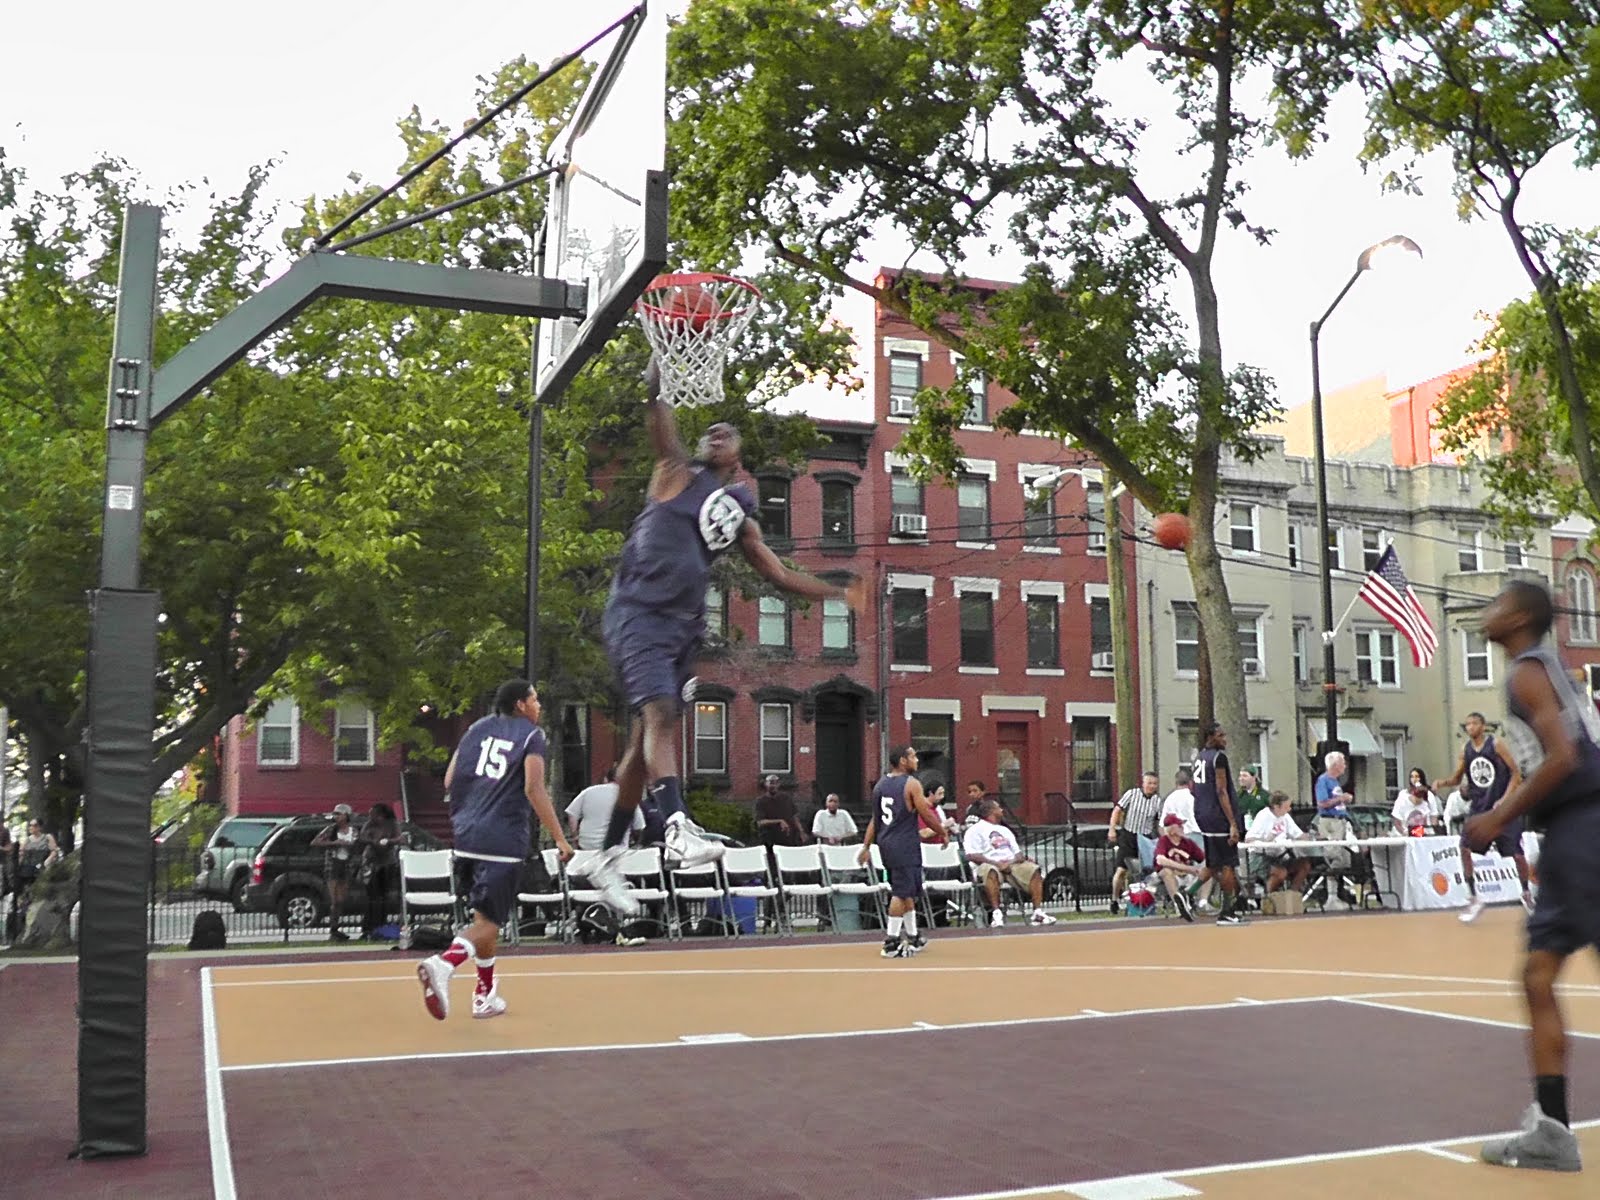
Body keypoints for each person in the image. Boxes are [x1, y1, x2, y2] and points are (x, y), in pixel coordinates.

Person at [584, 357, 864, 915]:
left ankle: (608, 852)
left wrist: (837, 593)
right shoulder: (675, 472)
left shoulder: (740, 514)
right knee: (661, 716)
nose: (715, 434)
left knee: (643, 744)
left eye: (727, 432)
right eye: (710, 430)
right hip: (638, 612)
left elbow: (779, 575)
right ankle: (677, 825)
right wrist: (657, 371)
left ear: (740, 460)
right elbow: (659, 416)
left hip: (682, 628)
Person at [1468, 579, 1600, 1173]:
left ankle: (1551, 1130)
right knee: (1538, 971)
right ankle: (1551, 1129)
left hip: (1587, 827)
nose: (1487, 612)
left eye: (1496, 603)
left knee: (1540, 973)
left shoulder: (1527, 671)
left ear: (1517, 617)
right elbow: (1552, 757)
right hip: (1574, 831)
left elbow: (1565, 758)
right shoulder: (1546, 670)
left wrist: (1499, 814)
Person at [416, 679, 574, 1021]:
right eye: (535, 699)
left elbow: (449, 780)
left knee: (485, 920)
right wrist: (560, 837)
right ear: (520, 704)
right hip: (502, 837)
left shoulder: (475, 728)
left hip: (466, 834)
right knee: (491, 923)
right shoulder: (533, 736)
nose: (539, 705)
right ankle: (444, 964)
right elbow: (534, 788)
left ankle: (484, 995)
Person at [1435, 711, 1532, 922]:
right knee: (1464, 847)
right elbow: (1458, 777)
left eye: (1473, 723)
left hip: (1503, 808)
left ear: (1482, 725)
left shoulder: (1496, 745)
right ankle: (1474, 897)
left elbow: (1516, 773)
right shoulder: (1466, 750)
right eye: (1467, 724)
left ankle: (1526, 892)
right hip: (1480, 808)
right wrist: (1443, 783)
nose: (1469, 727)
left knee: (1516, 854)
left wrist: (1505, 799)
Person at [858, 745, 948, 957]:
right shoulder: (911, 784)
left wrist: (866, 845)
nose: (916, 759)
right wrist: (942, 831)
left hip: (887, 843)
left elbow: (875, 819)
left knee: (908, 890)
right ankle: (891, 941)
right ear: (902, 761)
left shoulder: (880, 785)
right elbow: (925, 813)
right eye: (913, 756)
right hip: (903, 844)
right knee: (900, 893)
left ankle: (913, 935)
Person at [962, 798, 1057, 928]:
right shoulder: (974, 830)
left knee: (1034, 869)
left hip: (1011, 865)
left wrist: (1010, 862)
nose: (1002, 810)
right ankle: (996, 913)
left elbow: (1018, 854)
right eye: (998, 808)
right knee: (990, 871)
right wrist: (997, 864)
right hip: (988, 864)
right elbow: (971, 855)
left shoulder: (1005, 830)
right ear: (991, 811)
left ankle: (1037, 912)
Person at [1191, 721, 1246, 926]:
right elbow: (1221, 790)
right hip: (1218, 815)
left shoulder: (1199, 758)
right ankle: (1227, 911)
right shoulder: (1218, 758)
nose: (1225, 739)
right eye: (1221, 735)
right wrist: (1232, 822)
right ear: (1211, 737)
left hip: (1202, 813)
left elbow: (1194, 788)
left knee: (1213, 863)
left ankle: (1187, 894)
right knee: (1229, 864)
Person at [1107, 771, 1163, 915]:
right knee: (1121, 870)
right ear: (1143, 783)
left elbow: (1158, 823)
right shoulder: (1132, 794)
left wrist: (1161, 840)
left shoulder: (1157, 801)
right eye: (1149, 783)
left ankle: (1144, 902)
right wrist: (1112, 829)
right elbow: (1117, 810)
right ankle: (1114, 899)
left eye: (1154, 784)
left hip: (1145, 837)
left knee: (1147, 871)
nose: (1151, 786)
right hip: (1129, 835)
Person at [1313, 751, 1360, 906]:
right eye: (1343, 763)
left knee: (1345, 858)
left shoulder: (1335, 782)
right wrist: (1341, 798)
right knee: (1335, 856)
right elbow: (1321, 803)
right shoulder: (1323, 781)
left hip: (1340, 821)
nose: (1345, 766)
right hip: (1329, 823)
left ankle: (1340, 891)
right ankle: (1331, 894)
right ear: (1335, 765)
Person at [1244, 791, 1312, 895]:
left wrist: (1312, 836)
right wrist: (1266, 840)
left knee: (1304, 866)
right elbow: (1248, 839)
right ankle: (1269, 899)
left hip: (1280, 856)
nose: (1289, 810)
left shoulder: (1285, 817)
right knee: (1281, 872)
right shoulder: (1263, 816)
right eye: (1286, 807)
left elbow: (1298, 834)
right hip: (1260, 857)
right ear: (1276, 806)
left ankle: (1291, 896)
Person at [565, 766, 644, 851]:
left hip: (587, 846)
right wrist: (636, 842)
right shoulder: (627, 796)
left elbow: (572, 814)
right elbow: (639, 827)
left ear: (606, 779)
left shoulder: (588, 791)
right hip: (616, 849)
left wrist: (575, 835)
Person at [310, 805, 359, 942]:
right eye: (335, 814)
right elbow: (315, 842)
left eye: (339, 814)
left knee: (341, 900)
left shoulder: (353, 830)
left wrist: (349, 845)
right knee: (334, 900)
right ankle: (333, 929)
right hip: (333, 865)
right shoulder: (331, 830)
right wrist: (334, 843)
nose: (336, 817)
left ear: (346, 816)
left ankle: (336, 926)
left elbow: (356, 843)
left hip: (346, 865)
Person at [359, 802, 403, 937]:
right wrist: (373, 841)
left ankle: (381, 926)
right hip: (371, 862)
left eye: (373, 814)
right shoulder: (369, 824)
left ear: (381, 815)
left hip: (387, 863)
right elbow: (362, 837)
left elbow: (400, 838)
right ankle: (368, 927)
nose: (370, 816)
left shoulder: (391, 824)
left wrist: (388, 841)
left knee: (383, 896)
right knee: (372, 896)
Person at [1152, 814, 1201, 920]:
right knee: (1166, 871)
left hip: (1188, 877)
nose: (1183, 828)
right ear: (1173, 829)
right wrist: (1187, 868)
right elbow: (1160, 860)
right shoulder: (1163, 841)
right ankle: (1179, 906)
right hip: (1173, 876)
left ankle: (1202, 902)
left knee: (1208, 870)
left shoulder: (1188, 842)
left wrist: (1197, 869)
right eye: (1180, 826)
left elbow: (1202, 858)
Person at [755, 775, 808, 848]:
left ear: (779, 784)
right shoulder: (761, 801)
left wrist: (801, 832)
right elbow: (760, 822)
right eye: (771, 783)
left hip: (788, 839)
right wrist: (779, 821)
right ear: (766, 784)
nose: (773, 785)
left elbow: (794, 817)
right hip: (770, 840)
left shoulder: (786, 798)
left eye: (776, 783)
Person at [1391, 769, 1443, 836]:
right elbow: (1397, 818)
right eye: (1412, 777)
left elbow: (1433, 816)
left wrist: (1434, 831)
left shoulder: (1429, 795)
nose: (1414, 779)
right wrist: (1404, 832)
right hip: (1405, 832)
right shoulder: (1403, 795)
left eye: (1417, 776)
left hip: (1424, 832)